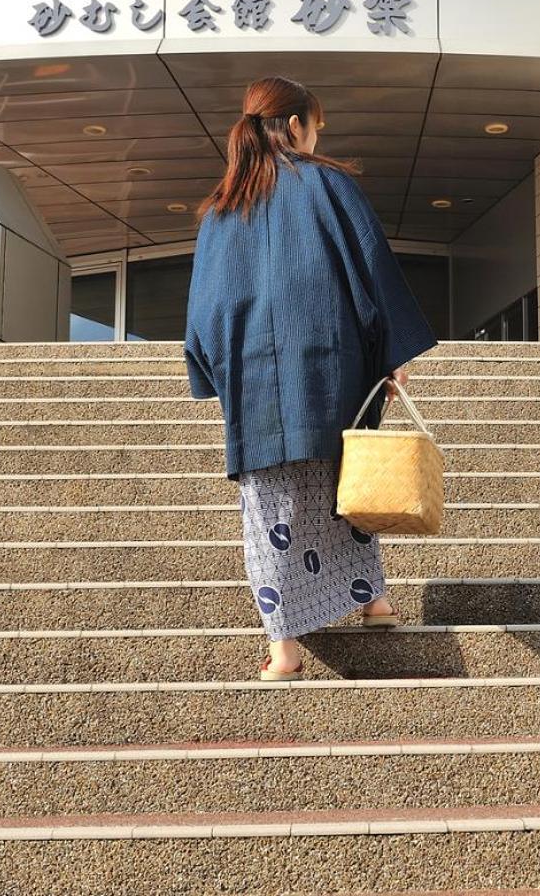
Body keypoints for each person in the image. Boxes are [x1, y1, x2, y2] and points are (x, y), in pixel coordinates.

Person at [183, 76, 437, 681]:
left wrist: (216, 369)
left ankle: (284, 652)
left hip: (256, 381)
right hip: (331, 366)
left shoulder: (222, 208)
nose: (317, 136)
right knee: (345, 485)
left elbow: (205, 309)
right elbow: (370, 271)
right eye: (316, 125)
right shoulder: (329, 185)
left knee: (268, 506)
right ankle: (374, 601)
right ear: (295, 126)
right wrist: (389, 353)